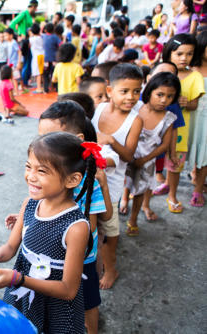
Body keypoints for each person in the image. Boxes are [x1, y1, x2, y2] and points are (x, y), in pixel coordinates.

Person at [0, 132, 96, 333]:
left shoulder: (76, 227)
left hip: (56, 305)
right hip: (22, 291)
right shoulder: (29, 204)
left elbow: (69, 290)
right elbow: (11, 247)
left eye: (42, 170)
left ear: (72, 180)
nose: (31, 176)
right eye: (28, 167)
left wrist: (18, 279)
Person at [37, 101, 112, 334]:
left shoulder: (89, 181)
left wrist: (104, 184)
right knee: (57, 298)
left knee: (88, 303)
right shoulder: (51, 175)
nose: (44, 145)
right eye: (41, 137)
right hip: (53, 254)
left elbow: (102, 218)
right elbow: (42, 205)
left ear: (78, 139)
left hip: (81, 259)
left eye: (51, 137)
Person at [92, 63, 144, 289]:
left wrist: (112, 140)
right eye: (124, 91)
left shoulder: (136, 120)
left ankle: (111, 269)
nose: (131, 97)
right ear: (110, 90)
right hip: (91, 178)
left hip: (111, 186)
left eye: (136, 91)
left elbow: (129, 156)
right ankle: (98, 262)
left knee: (110, 231)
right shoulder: (99, 108)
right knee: (93, 226)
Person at [123, 73, 179, 236]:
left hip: (147, 161)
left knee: (140, 189)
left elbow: (164, 145)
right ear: (149, 92)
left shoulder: (168, 118)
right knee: (126, 181)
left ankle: (133, 219)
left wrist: (145, 159)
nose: (164, 100)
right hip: (127, 154)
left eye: (170, 96)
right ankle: (125, 199)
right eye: (160, 95)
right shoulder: (135, 107)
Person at [158, 34, 204, 213]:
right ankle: (167, 185)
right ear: (169, 53)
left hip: (180, 130)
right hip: (159, 128)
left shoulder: (195, 77)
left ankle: (172, 195)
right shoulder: (163, 72)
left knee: (175, 163)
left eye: (189, 54)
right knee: (162, 161)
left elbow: (195, 105)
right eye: (179, 54)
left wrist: (187, 103)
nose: (184, 58)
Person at [188, 31, 207, 205]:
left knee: (204, 155)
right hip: (190, 119)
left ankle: (198, 189)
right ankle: (171, 187)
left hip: (206, 121)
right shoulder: (190, 70)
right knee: (182, 153)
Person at [42, 23, 61, 92]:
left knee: (45, 75)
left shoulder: (43, 36)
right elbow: (60, 44)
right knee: (55, 74)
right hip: (54, 59)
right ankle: (57, 88)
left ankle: (46, 89)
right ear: (53, 29)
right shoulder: (55, 37)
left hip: (46, 59)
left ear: (45, 30)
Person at [5, 28, 21, 95]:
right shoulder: (8, 43)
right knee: (11, 78)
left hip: (14, 63)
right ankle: (14, 91)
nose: (5, 37)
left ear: (11, 35)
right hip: (10, 63)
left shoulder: (14, 42)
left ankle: (16, 92)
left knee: (14, 78)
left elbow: (19, 52)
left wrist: (18, 62)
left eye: (6, 35)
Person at [30, 23, 44, 94]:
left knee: (38, 72)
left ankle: (38, 88)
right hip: (42, 55)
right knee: (41, 71)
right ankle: (42, 86)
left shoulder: (32, 39)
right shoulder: (41, 38)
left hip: (36, 56)